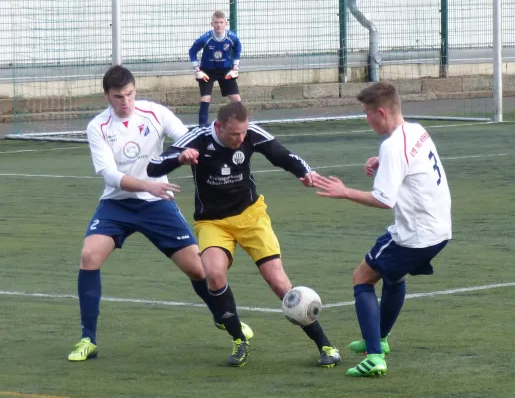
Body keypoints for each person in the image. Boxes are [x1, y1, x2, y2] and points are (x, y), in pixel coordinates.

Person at [67, 65, 252, 362]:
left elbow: (187, 137)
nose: (125, 102)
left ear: (135, 90)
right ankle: (87, 339)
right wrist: (147, 185)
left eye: (129, 94)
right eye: (118, 97)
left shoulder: (154, 113)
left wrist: (188, 153)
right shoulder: (97, 127)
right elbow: (109, 175)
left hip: (157, 204)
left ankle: (225, 317)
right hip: (118, 204)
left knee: (198, 269)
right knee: (89, 256)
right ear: (106, 97)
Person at [147, 102, 341, 368]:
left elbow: (281, 154)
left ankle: (326, 345)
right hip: (212, 222)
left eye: (243, 133)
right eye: (234, 134)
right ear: (218, 126)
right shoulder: (197, 139)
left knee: (278, 282)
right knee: (213, 274)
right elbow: (153, 167)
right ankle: (239, 339)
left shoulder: (250, 133)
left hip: (251, 216)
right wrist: (179, 158)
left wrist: (304, 172)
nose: (240, 139)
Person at [312, 81, 452, 377]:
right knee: (394, 274)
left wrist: (344, 191)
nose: (366, 119)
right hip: (440, 228)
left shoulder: (392, 146)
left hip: (416, 233)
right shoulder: (416, 130)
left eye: (367, 113)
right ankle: (379, 338)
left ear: (380, 112)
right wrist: (383, 163)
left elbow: (383, 200)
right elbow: (414, 166)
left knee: (362, 277)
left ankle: (375, 355)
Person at [189, 10, 242, 127]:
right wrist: (197, 70)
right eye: (216, 22)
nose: (218, 25)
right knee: (205, 98)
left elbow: (238, 48)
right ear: (211, 24)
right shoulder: (205, 38)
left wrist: (235, 69)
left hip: (225, 70)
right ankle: (202, 128)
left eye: (221, 22)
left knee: (236, 99)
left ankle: (242, 124)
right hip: (207, 71)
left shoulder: (232, 38)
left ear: (225, 24)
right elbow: (192, 51)